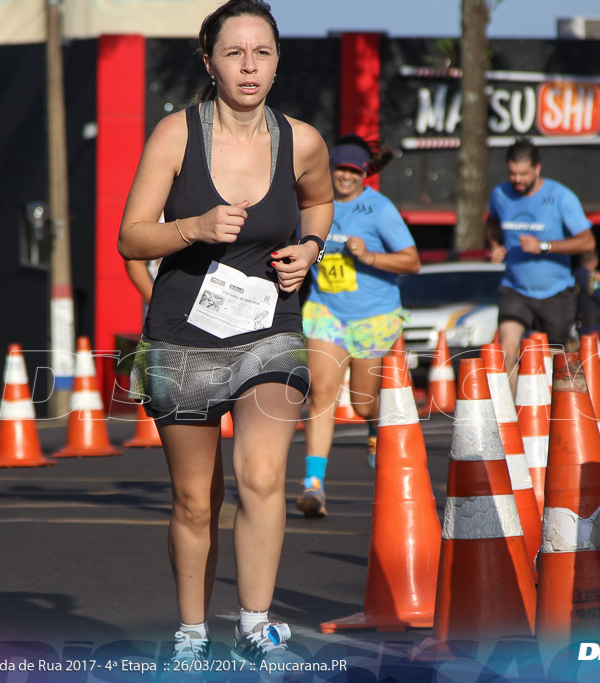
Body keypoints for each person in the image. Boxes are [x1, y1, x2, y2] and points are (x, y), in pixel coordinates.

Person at [116, 0, 333, 668]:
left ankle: (254, 623)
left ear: (276, 61)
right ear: (209, 63)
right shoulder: (176, 136)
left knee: (262, 475)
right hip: (184, 335)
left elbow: (320, 198)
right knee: (194, 497)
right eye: (234, 53)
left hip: (271, 329)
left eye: (261, 52)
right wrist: (195, 229)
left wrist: (312, 245)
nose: (248, 66)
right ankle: (190, 630)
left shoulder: (303, 141)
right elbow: (130, 234)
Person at [296, 134, 419, 518]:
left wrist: (370, 256)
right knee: (322, 396)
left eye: (354, 171)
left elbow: (412, 262)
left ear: (364, 174)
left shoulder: (379, 209)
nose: (346, 177)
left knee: (364, 402)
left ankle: (373, 427)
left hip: (373, 317)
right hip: (326, 311)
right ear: (330, 167)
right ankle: (313, 486)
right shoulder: (313, 202)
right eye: (341, 169)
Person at [487, 138, 596, 388]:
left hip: (555, 292)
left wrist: (544, 246)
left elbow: (588, 242)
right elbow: (492, 221)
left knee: (556, 361)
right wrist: (495, 246)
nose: (517, 180)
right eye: (512, 173)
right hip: (515, 288)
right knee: (506, 350)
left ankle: (561, 413)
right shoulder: (500, 194)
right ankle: (515, 417)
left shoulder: (560, 197)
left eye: (523, 174)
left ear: (537, 169)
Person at [574, 250, 600, 339]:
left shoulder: (574, 275)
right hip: (592, 326)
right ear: (595, 261)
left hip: (578, 322)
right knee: (592, 351)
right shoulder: (592, 278)